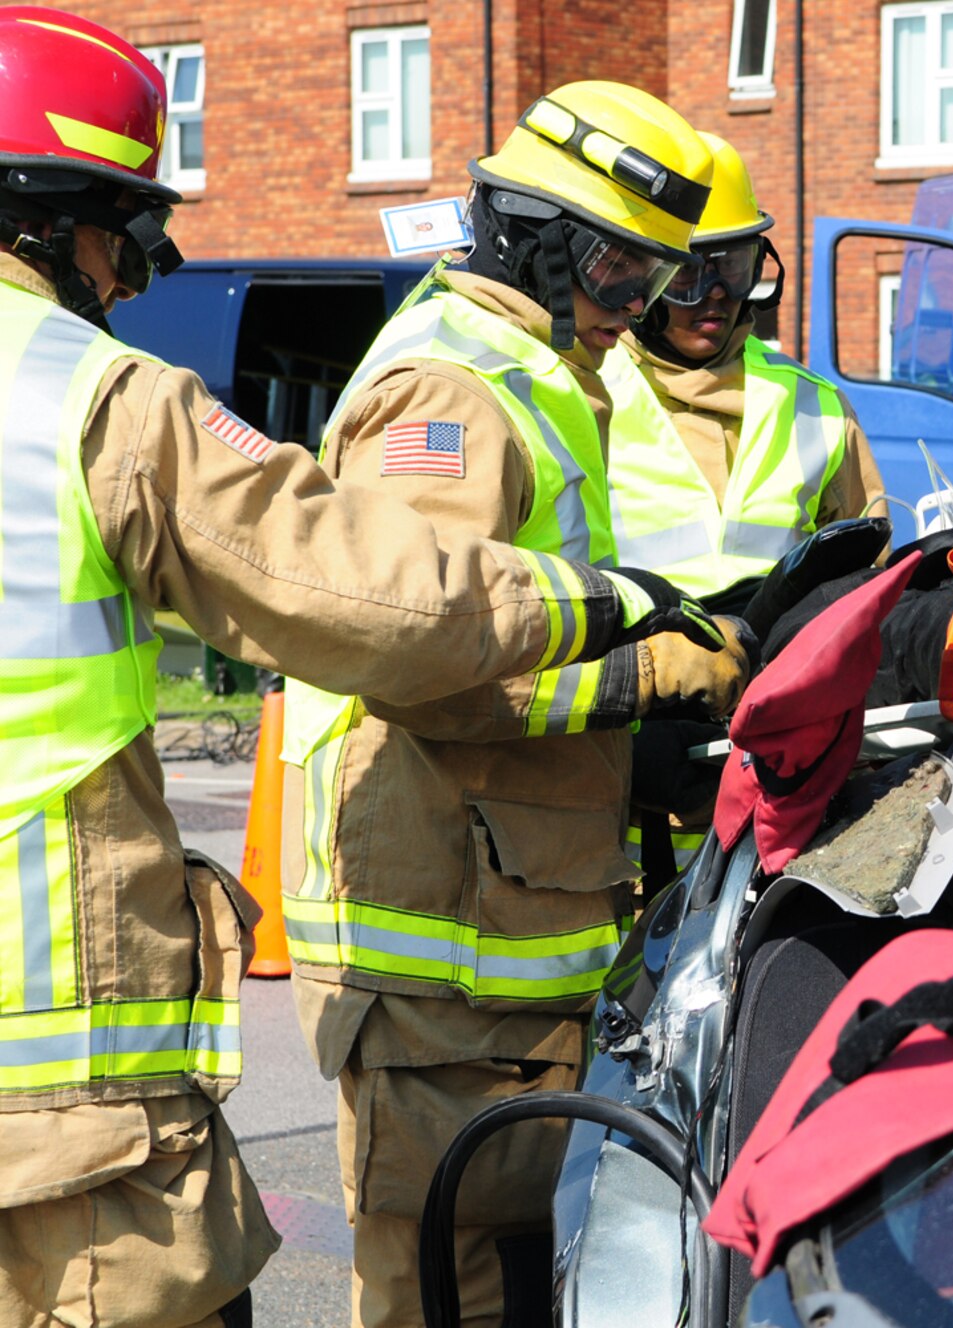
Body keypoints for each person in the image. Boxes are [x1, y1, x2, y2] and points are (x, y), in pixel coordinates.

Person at [0, 14, 710, 1327]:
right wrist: (632, 636)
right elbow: (372, 598)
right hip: (50, 1079)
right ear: (45, 214)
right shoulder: (83, 392)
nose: (134, 273)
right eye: (121, 227)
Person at [278, 83, 752, 1325]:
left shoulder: (536, 368)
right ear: (524, 233)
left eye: (648, 282)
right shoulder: (451, 395)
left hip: (498, 916)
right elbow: (420, 659)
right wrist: (637, 680)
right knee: (448, 1275)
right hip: (430, 931)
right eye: (611, 270)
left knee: (521, 1258)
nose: (628, 310)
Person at [603, 130, 887, 881]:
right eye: (689, 276)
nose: (717, 296)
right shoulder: (586, 399)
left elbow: (869, 591)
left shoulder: (814, 407)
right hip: (631, 798)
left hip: (782, 793)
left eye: (732, 267)